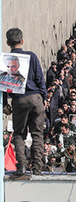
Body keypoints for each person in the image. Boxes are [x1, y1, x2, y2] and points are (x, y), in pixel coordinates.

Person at [6, 28, 47, 176]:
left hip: (19, 99)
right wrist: (44, 97)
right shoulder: (31, 56)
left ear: (7, 43)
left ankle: (22, 166)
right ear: (22, 41)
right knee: (37, 134)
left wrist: (5, 103)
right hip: (35, 97)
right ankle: (37, 167)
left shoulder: (6, 60)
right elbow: (40, 79)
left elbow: (4, 84)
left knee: (19, 134)